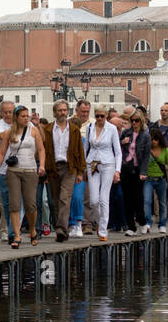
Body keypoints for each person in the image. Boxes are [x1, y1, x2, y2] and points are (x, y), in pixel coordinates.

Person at [0, 105, 46, 246]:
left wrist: (41, 165)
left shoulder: (33, 131)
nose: (26, 118)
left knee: (31, 205)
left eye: (27, 115)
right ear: (16, 118)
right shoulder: (9, 132)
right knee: (14, 204)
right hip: (13, 172)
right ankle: (17, 236)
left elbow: (41, 150)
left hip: (30, 170)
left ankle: (32, 230)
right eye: (23, 116)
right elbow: (1, 152)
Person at [42, 99, 86, 241]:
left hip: (69, 168)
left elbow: (79, 151)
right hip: (53, 167)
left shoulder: (73, 130)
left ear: (68, 112)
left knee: (64, 198)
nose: (62, 113)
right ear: (54, 113)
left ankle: (61, 229)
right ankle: (61, 228)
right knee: (55, 200)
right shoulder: (47, 129)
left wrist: (80, 172)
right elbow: (43, 149)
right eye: (59, 110)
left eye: (64, 110)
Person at [83, 106, 121, 241]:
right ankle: (99, 222)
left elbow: (118, 152)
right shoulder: (90, 127)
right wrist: (83, 166)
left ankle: (103, 230)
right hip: (92, 163)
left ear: (106, 117)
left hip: (108, 164)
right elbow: (86, 147)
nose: (99, 119)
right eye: (97, 116)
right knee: (93, 200)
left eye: (102, 116)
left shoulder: (112, 129)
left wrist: (117, 170)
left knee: (104, 198)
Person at [119, 111, 150, 234]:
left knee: (138, 198)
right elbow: (117, 148)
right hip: (126, 167)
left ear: (141, 121)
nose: (134, 123)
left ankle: (142, 221)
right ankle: (131, 226)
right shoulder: (126, 133)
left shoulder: (145, 136)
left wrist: (143, 172)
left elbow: (146, 156)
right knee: (127, 199)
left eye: (136, 120)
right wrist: (122, 143)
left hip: (137, 169)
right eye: (132, 120)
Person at [67, 98, 92, 238]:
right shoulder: (66, 136)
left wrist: (82, 171)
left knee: (79, 197)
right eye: (83, 111)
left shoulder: (91, 125)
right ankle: (71, 224)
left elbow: (84, 156)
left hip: (80, 172)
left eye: (87, 112)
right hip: (68, 171)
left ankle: (79, 222)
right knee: (68, 198)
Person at [0, 98, 15, 243]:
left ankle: (14, 229)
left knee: (20, 201)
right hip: (4, 168)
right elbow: (2, 136)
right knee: (6, 201)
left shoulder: (24, 123)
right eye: (5, 112)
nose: (8, 115)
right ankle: (5, 229)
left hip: (22, 167)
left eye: (11, 112)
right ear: (1, 113)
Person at [144, 129, 168, 231]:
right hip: (148, 179)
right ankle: (148, 222)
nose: (153, 141)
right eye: (151, 139)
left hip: (161, 179)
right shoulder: (146, 149)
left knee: (162, 202)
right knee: (147, 201)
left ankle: (162, 224)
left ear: (159, 140)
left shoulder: (165, 150)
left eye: (155, 139)